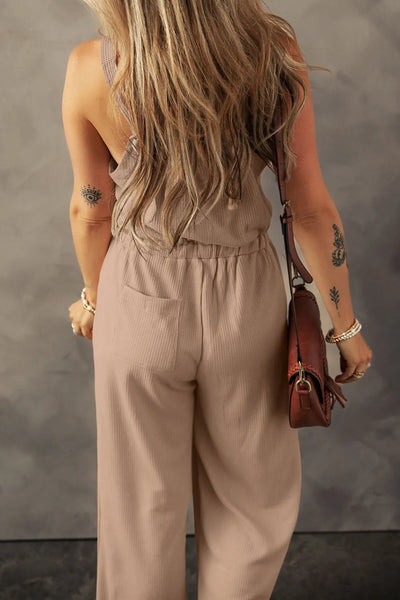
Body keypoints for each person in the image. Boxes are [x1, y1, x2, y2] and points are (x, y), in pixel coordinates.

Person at [62, 1, 373, 598]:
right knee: (251, 503)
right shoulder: (272, 55)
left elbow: (90, 209)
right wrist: (345, 326)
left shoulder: (88, 67)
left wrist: (96, 300)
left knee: (138, 507)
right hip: (245, 299)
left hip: (139, 292)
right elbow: (310, 207)